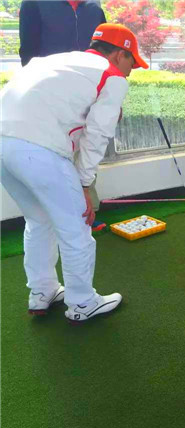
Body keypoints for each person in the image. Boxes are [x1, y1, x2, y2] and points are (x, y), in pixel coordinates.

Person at [0, 23, 148, 322]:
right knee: (77, 227)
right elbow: (97, 136)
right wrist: (84, 184)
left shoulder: (55, 61)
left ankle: (42, 292)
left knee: (39, 220)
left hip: (4, 145)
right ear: (120, 54)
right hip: (40, 150)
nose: (131, 71)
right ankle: (82, 303)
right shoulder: (112, 76)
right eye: (132, 63)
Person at [19, 0, 109, 232]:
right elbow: (28, 54)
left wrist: (108, 93)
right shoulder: (34, 4)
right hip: (49, 97)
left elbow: (105, 54)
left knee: (85, 150)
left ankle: (87, 212)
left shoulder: (94, 10)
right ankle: (54, 216)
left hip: (87, 95)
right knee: (54, 156)